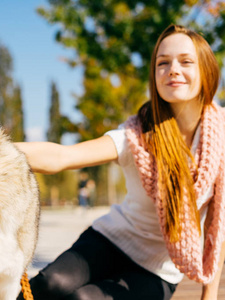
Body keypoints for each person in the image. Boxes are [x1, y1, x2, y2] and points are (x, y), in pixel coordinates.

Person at [16, 24, 225, 300]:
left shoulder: (220, 136)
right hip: (110, 240)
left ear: (206, 71)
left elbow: (217, 226)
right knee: (50, 284)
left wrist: (208, 297)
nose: (173, 69)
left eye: (186, 61)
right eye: (163, 63)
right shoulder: (136, 136)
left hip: (158, 271)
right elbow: (63, 156)